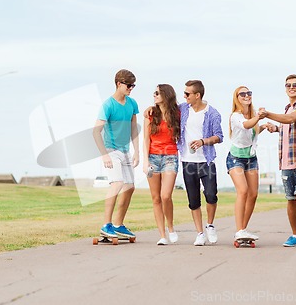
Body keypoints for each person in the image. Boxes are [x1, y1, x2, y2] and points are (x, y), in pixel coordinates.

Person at [258, 74, 296, 249]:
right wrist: (274, 128)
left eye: (295, 85)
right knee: (290, 199)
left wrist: (268, 114)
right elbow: (287, 126)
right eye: (288, 85)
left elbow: (291, 119)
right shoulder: (286, 108)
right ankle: (295, 235)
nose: (292, 87)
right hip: (286, 161)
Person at [93, 69, 139, 240]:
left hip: (126, 151)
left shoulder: (132, 103)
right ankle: (106, 225)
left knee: (130, 187)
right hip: (111, 150)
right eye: (129, 85)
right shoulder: (108, 105)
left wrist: (137, 151)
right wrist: (104, 155)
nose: (131, 88)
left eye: (133, 85)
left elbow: (134, 128)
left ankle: (118, 225)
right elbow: (96, 132)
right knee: (117, 184)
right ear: (119, 84)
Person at [179, 80, 223, 246]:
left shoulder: (212, 113)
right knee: (193, 200)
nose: (184, 96)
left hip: (206, 160)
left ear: (197, 95)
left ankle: (210, 225)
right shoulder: (183, 109)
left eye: (187, 94)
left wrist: (203, 141)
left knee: (211, 195)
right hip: (187, 161)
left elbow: (219, 136)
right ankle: (199, 233)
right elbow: (167, 109)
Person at [227, 86, 268, 242]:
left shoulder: (251, 115)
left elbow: (251, 132)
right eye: (242, 94)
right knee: (243, 191)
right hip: (235, 158)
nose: (246, 96)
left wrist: (263, 126)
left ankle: (242, 229)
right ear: (236, 97)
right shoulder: (235, 116)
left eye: (249, 93)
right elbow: (246, 125)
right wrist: (259, 117)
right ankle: (239, 230)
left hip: (251, 158)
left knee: (253, 194)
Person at [142, 84, 180, 245]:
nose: (154, 95)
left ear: (166, 94)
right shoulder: (150, 114)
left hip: (170, 156)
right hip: (153, 158)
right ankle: (162, 235)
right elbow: (146, 139)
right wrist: (145, 161)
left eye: (157, 93)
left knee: (166, 195)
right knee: (156, 198)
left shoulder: (178, 113)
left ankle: (171, 227)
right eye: (154, 93)